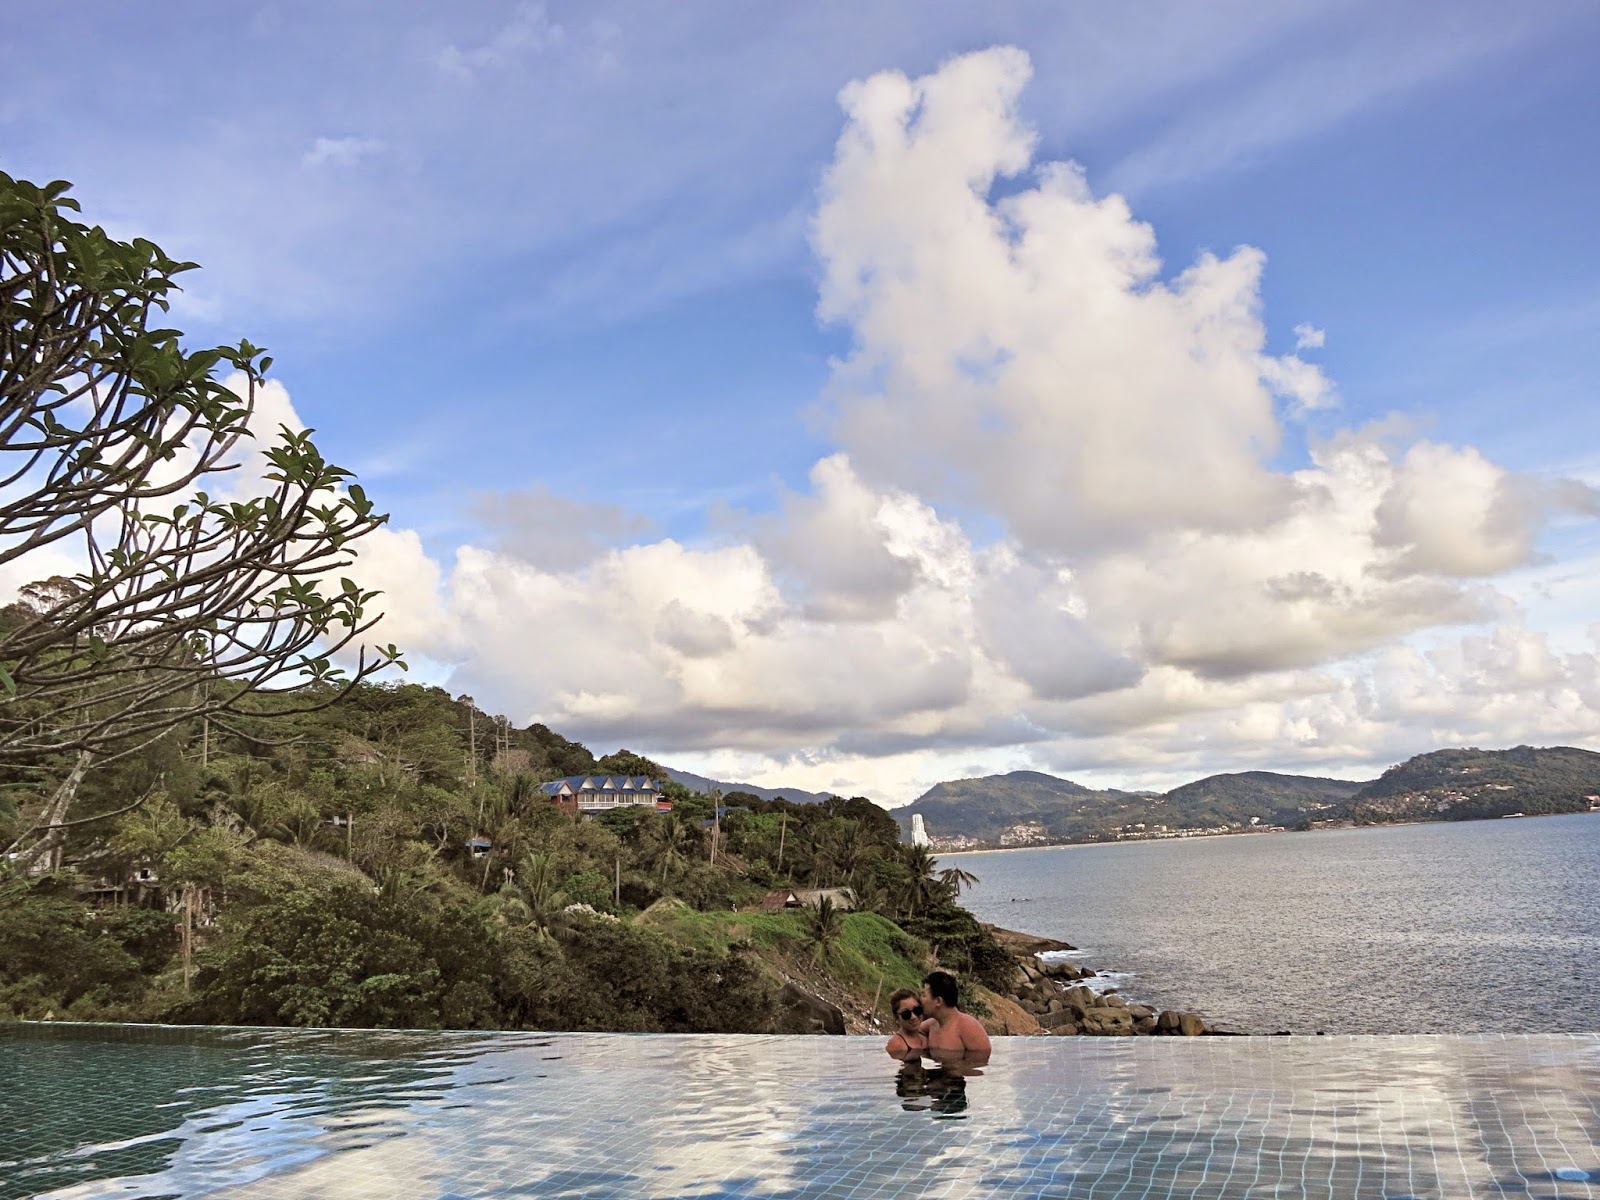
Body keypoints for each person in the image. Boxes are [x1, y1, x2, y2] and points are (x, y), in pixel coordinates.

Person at [919, 970, 992, 1057]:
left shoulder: (968, 1027)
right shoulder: (932, 1024)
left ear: (938, 1001)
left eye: (923, 995)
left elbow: (982, 1060)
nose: (920, 1000)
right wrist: (925, 1046)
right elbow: (913, 1031)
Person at [884, 988, 929, 1058]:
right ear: (896, 1018)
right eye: (906, 1014)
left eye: (917, 1010)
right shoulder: (896, 1045)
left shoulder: (925, 1039)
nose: (913, 1017)